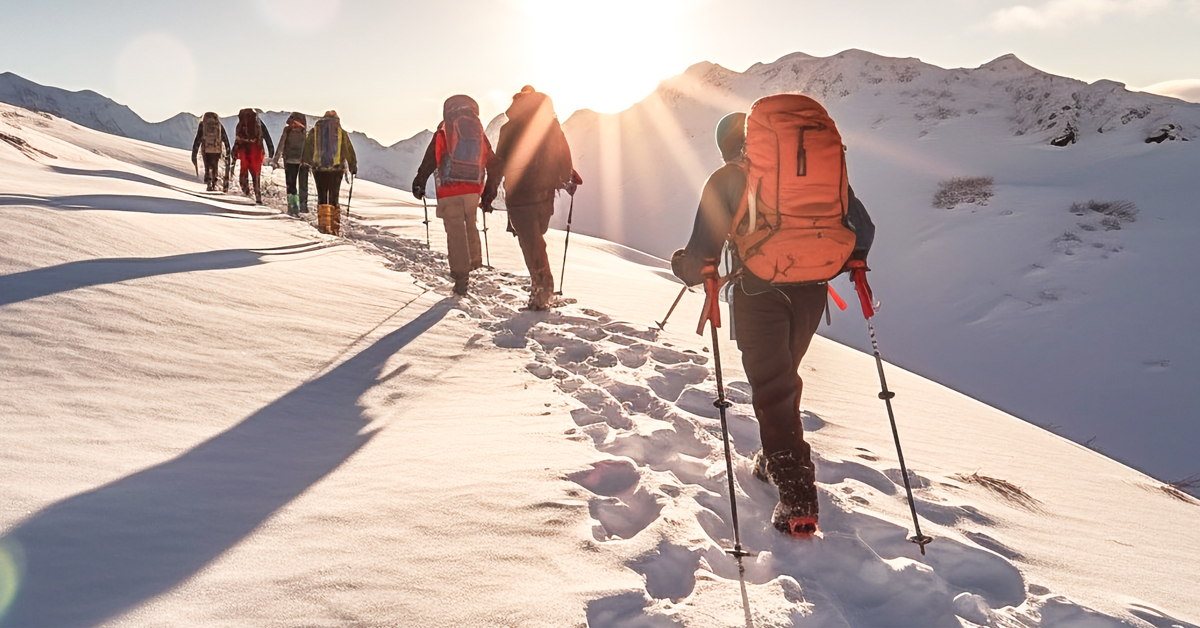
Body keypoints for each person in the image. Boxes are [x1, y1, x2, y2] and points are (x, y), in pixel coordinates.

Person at [670, 106, 875, 537]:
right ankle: (774, 455)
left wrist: (681, 266)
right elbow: (862, 227)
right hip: (813, 289)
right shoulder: (811, 172)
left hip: (759, 291)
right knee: (783, 378)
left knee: (773, 384)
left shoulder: (727, 178)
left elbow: (699, 255)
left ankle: (797, 491)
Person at [482, 86, 582, 310]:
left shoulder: (510, 128)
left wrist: (488, 195)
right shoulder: (551, 125)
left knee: (531, 244)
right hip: (545, 196)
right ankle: (542, 290)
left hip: (520, 195)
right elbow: (564, 156)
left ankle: (541, 294)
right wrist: (566, 180)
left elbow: (499, 166)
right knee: (536, 240)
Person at [412, 95, 494, 295]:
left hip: (449, 188)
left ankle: (461, 276)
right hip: (473, 188)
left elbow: (431, 158)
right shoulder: (478, 131)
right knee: (470, 222)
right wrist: (488, 193)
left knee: (455, 230)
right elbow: (492, 160)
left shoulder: (444, 128)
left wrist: (419, 182)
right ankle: (474, 261)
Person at [302, 110, 357, 236]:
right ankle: (334, 228)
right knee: (334, 196)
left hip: (319, 169)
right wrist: (353, 166)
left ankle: (323, 226)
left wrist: (305, 160)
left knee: (322, 196)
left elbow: (308, 146)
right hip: (336, 169)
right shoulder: (340, 131)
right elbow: (348, 149)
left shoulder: (316, 130)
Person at [232, 108, 275, 205]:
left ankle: (246, 192)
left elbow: (237, 139)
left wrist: (234, 152)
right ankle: (257, 195)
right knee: (256, 174)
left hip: (244, 150)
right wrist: (271, 150)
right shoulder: (259, 123)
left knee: (244, 171)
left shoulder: (240, 124)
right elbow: (267, 137)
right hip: (256, 150)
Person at [272, 112, 309, 216]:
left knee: (291, 185)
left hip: (290, 161)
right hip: (303, 162)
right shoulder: (305, 132)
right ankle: (303, 206)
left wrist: (276, 159)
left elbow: (281, 145)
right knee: (303, 185)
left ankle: (293, 207)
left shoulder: (287, 130)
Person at [191, 112, 230, 192]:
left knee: (207, 166)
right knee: (215, 165)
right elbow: (224, 137)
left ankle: (209, 182)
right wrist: (227, 149)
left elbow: (198, 138)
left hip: (206, 149)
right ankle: (214, 182)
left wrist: (194, 152)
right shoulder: (218, 124)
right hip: (216, 149)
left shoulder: (203, 125)